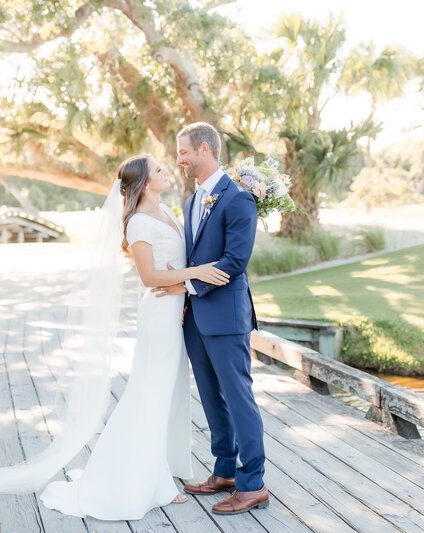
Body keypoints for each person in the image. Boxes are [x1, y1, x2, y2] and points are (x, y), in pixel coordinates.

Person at [39, 154, 230, 520]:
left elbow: (172, 269)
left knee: (169, 392)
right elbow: (149, 277)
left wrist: (184, 280)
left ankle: (162, 466)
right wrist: (199, 272)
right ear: (143, 182)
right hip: (159, 315)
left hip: (177, 310)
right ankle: (151, 480)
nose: (165, 171)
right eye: (158, 169)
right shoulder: (140, 223)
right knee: (152, 391)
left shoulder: (168, 213)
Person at [163, 121, 268, 515]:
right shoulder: (192, 201)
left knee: (239, 399)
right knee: (210, 398)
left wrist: (186, 287)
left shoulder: (238, 198)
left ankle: (253, 482)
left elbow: (235, 262)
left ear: (205, 149)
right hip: (195, 321)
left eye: (183, 151)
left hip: (226, 318)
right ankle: (224, 470)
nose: (179, 160)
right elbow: (194, 259)